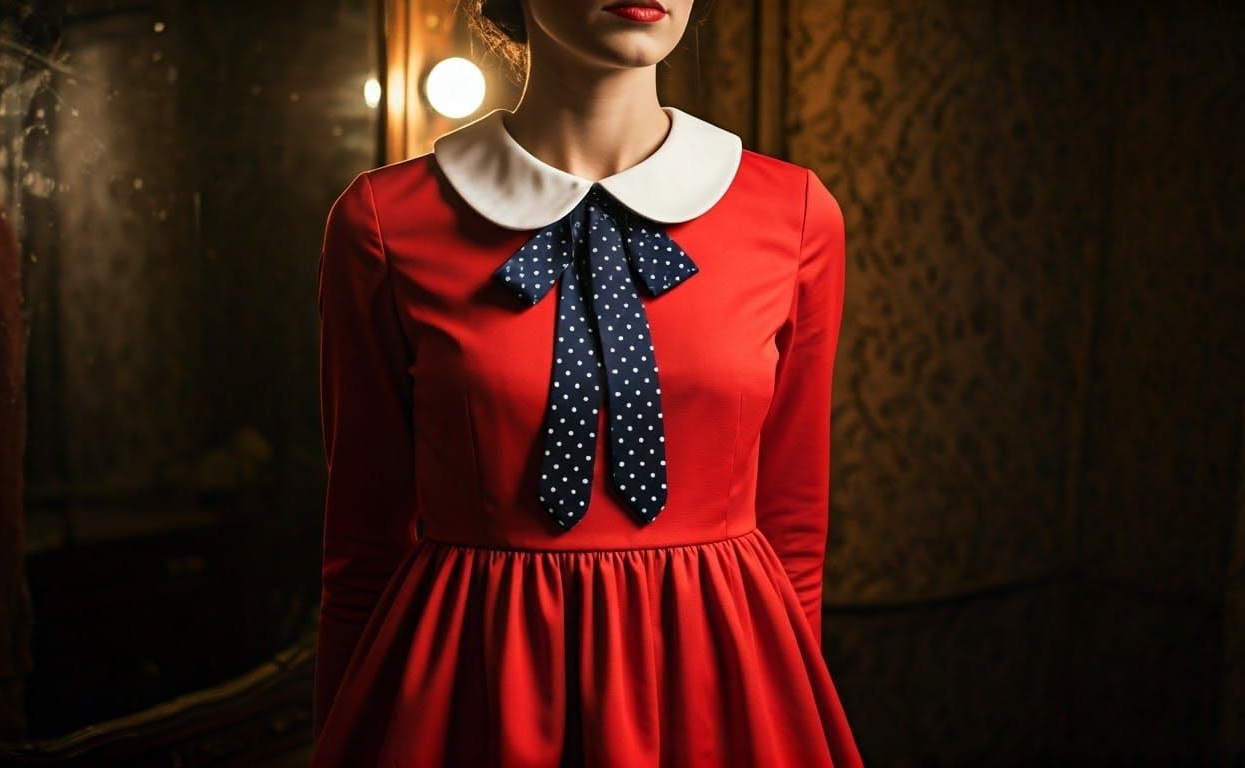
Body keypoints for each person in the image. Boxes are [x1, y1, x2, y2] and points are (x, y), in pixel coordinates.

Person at [309, 0, 862, 764]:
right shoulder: (383, 223)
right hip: (475, 686)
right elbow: (361, 551)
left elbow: (795, 530)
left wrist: (780, 715)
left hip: (716, 688)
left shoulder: (795, 216)